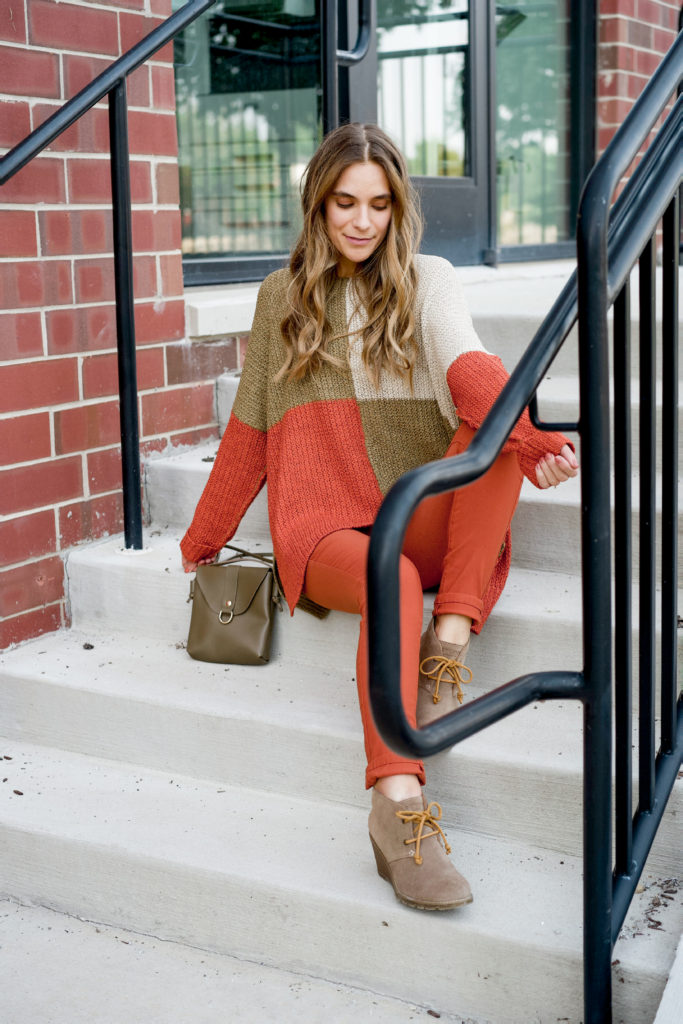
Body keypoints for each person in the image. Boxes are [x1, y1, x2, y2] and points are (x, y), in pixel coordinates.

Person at [180, 123, 579, 912]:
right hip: (324, 525)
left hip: (415, 503)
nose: (362, 222)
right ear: (317, 205)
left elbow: (468, 363)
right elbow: (250, 433)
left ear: (398, 211)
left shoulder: (428, 280)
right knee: (387, 568)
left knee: (494, 419)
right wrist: (204, 537)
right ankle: (396, 805)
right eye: (344, 203)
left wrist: (528, 439)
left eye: (379, 205)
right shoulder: (278, 298)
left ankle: (449, 635)